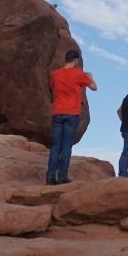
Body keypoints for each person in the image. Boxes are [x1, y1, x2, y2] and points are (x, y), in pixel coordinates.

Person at [46, 49, 96, 186]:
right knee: (66, 145)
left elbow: (53, 87)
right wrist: (89, 76)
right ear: (76, 61)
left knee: (56, 145)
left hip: (57, 112)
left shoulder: (55, 74)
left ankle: (50, 177)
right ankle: (62, 177)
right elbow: (94, 87)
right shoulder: (79, 74)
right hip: (72, 113)